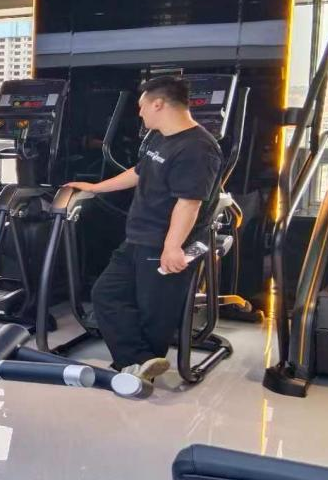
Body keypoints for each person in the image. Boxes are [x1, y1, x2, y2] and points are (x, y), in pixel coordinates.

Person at [66, 75, 222, 383]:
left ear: (158, 104)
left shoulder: (198, 148)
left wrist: (172, 247)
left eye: (142, 106)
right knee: (106, 293)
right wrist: (95, 187)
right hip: (139, 236)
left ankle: (140, 369)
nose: (139, 112)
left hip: (170, 241)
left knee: (154, 310)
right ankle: (141, 361)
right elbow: (139, 172)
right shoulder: (159, 136)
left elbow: (189, 204)